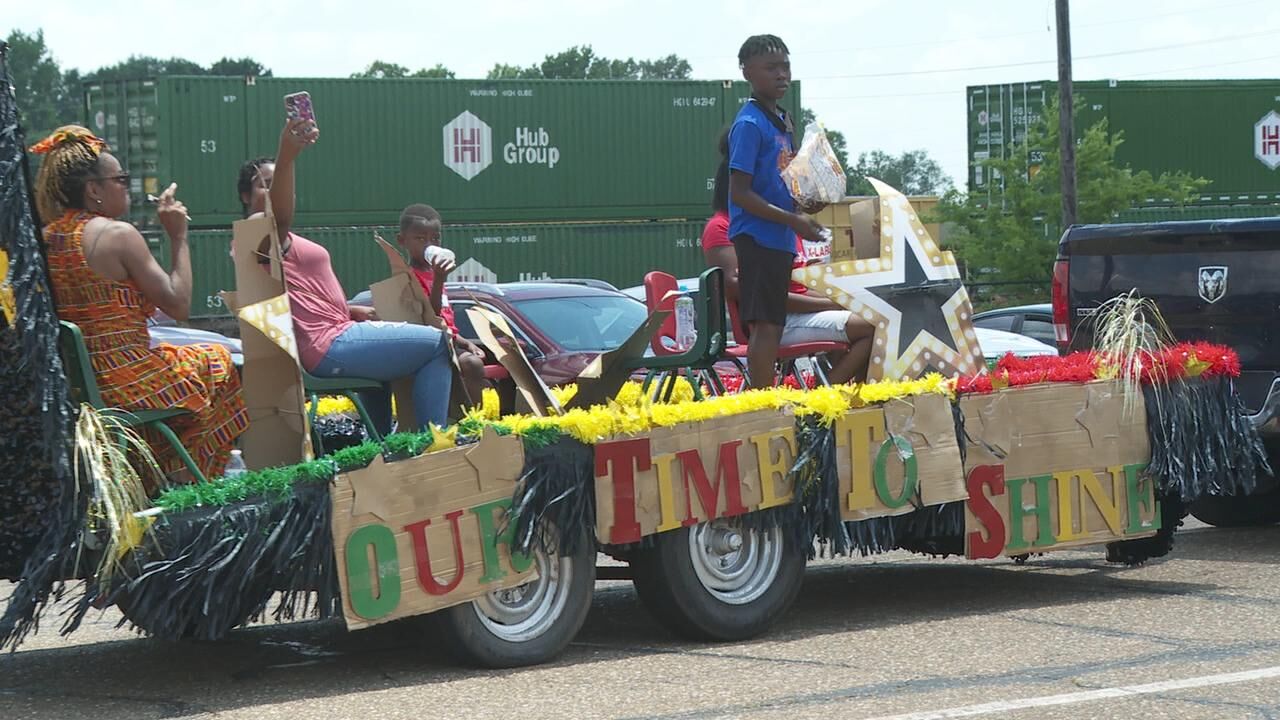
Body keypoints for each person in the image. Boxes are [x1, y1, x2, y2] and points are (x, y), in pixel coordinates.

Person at [32, 126, 248, 484]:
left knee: (193, 363)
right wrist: (178, 235)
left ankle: (155, 475)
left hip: (78, 386)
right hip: (128, 381)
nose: (127, 186)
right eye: (121, 178)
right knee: (220, 362)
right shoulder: (117, 235)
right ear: (93, 190)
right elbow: (179, 304)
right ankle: (188, 479)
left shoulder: (44, 239)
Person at [238, 119, 453, 429]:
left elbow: (299, 300)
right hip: (328, 343)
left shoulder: (276, 243)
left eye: (277, 183)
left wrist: (351, 310)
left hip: (336, 332)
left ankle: (378, 455)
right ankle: (432, 443)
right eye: (265, 185)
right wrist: (287, 155)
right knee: (437, 343)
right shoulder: (257, 231)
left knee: (385, 373)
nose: (273, 191)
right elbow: (279, 216)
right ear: (246, 196)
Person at [703, 131, 873, 385]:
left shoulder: (778, 228)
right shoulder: (721, 227)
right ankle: (820, 403)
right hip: (771, 322)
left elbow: (798, 286)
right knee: (873, 327)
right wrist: (830, 304)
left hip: (795, 313)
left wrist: (842, 300)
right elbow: (739, 287)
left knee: (875, 315)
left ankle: (847, 403)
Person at [727, 34, 831, 390]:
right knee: (766, 324)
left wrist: (808, 201)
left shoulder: (782, 120)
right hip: (758, 237)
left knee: (775, 320)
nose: (781, 74)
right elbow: (739, 193)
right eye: (771, 68)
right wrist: (792, 220)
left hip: (781, 236)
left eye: (785, 66)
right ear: (747, 73)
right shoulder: (749, 124)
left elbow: (784, 179)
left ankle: (771, 396)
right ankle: (762, 403)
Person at [395, 204, 488, 405]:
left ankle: (480, 420)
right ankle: (470, 421)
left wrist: (465, 342)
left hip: (450, 343)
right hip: (429, 347)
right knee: (471, 364)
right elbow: (430, 316)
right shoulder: (406, 277)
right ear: (402, 240)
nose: (429, 244)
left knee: (481, 359)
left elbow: (447, 322)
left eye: (435, 238)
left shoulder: (435, 274)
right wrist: (439, 279)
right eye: (420, 239)